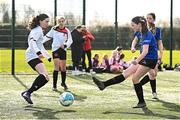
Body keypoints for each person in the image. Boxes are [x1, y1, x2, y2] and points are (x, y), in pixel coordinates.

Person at [93, 16, 158, 108]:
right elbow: (135, 40)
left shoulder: (146, 34)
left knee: (135, 79)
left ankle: (142, 102)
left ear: (139, 25)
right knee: (126, 73)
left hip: (150, 59)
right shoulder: (140, 32)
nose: (132, 27)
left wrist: (137, 61)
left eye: (133, 25)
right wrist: (132, 47)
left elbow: (145, 51)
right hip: (145, 58)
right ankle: (104, 84)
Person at [132, 13, 164, 99]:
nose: (148, 20)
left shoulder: (157, 30)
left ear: (153, 20)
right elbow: (135, 39)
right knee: (151, 73)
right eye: (147, 18)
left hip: (153, 55)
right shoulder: (142, 29)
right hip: (145, 55)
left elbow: (159, 42)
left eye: (150, 18)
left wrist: (161, 53)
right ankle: (140, 85)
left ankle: (149, 89)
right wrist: (133, 47)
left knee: (154, 74)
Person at [21, 14, 51, 104]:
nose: (47, 23)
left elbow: (40, 45)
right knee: (44, 75)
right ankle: (28, 93)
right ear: (40, 21)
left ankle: (27, 93)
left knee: (46, 78)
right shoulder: (37, 30)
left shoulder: (39, 30)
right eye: (46, 21)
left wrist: (47, 55)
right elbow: (32, 42)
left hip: (33, 56)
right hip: (32, 56)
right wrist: (38, 52)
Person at [43, 16, 73, 91]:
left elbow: (70, 40)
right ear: (57, 22)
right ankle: (54, 85)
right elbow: (47, 37)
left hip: (63, 50)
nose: (61, 22)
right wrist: (39, 41)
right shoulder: (54, 29)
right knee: (56, 67)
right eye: (59, 21)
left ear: (64, 21)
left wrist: (65, 45)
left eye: (62, 21)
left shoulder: (67, 31)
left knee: (63, 68)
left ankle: (63, 83)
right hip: (55, 50)